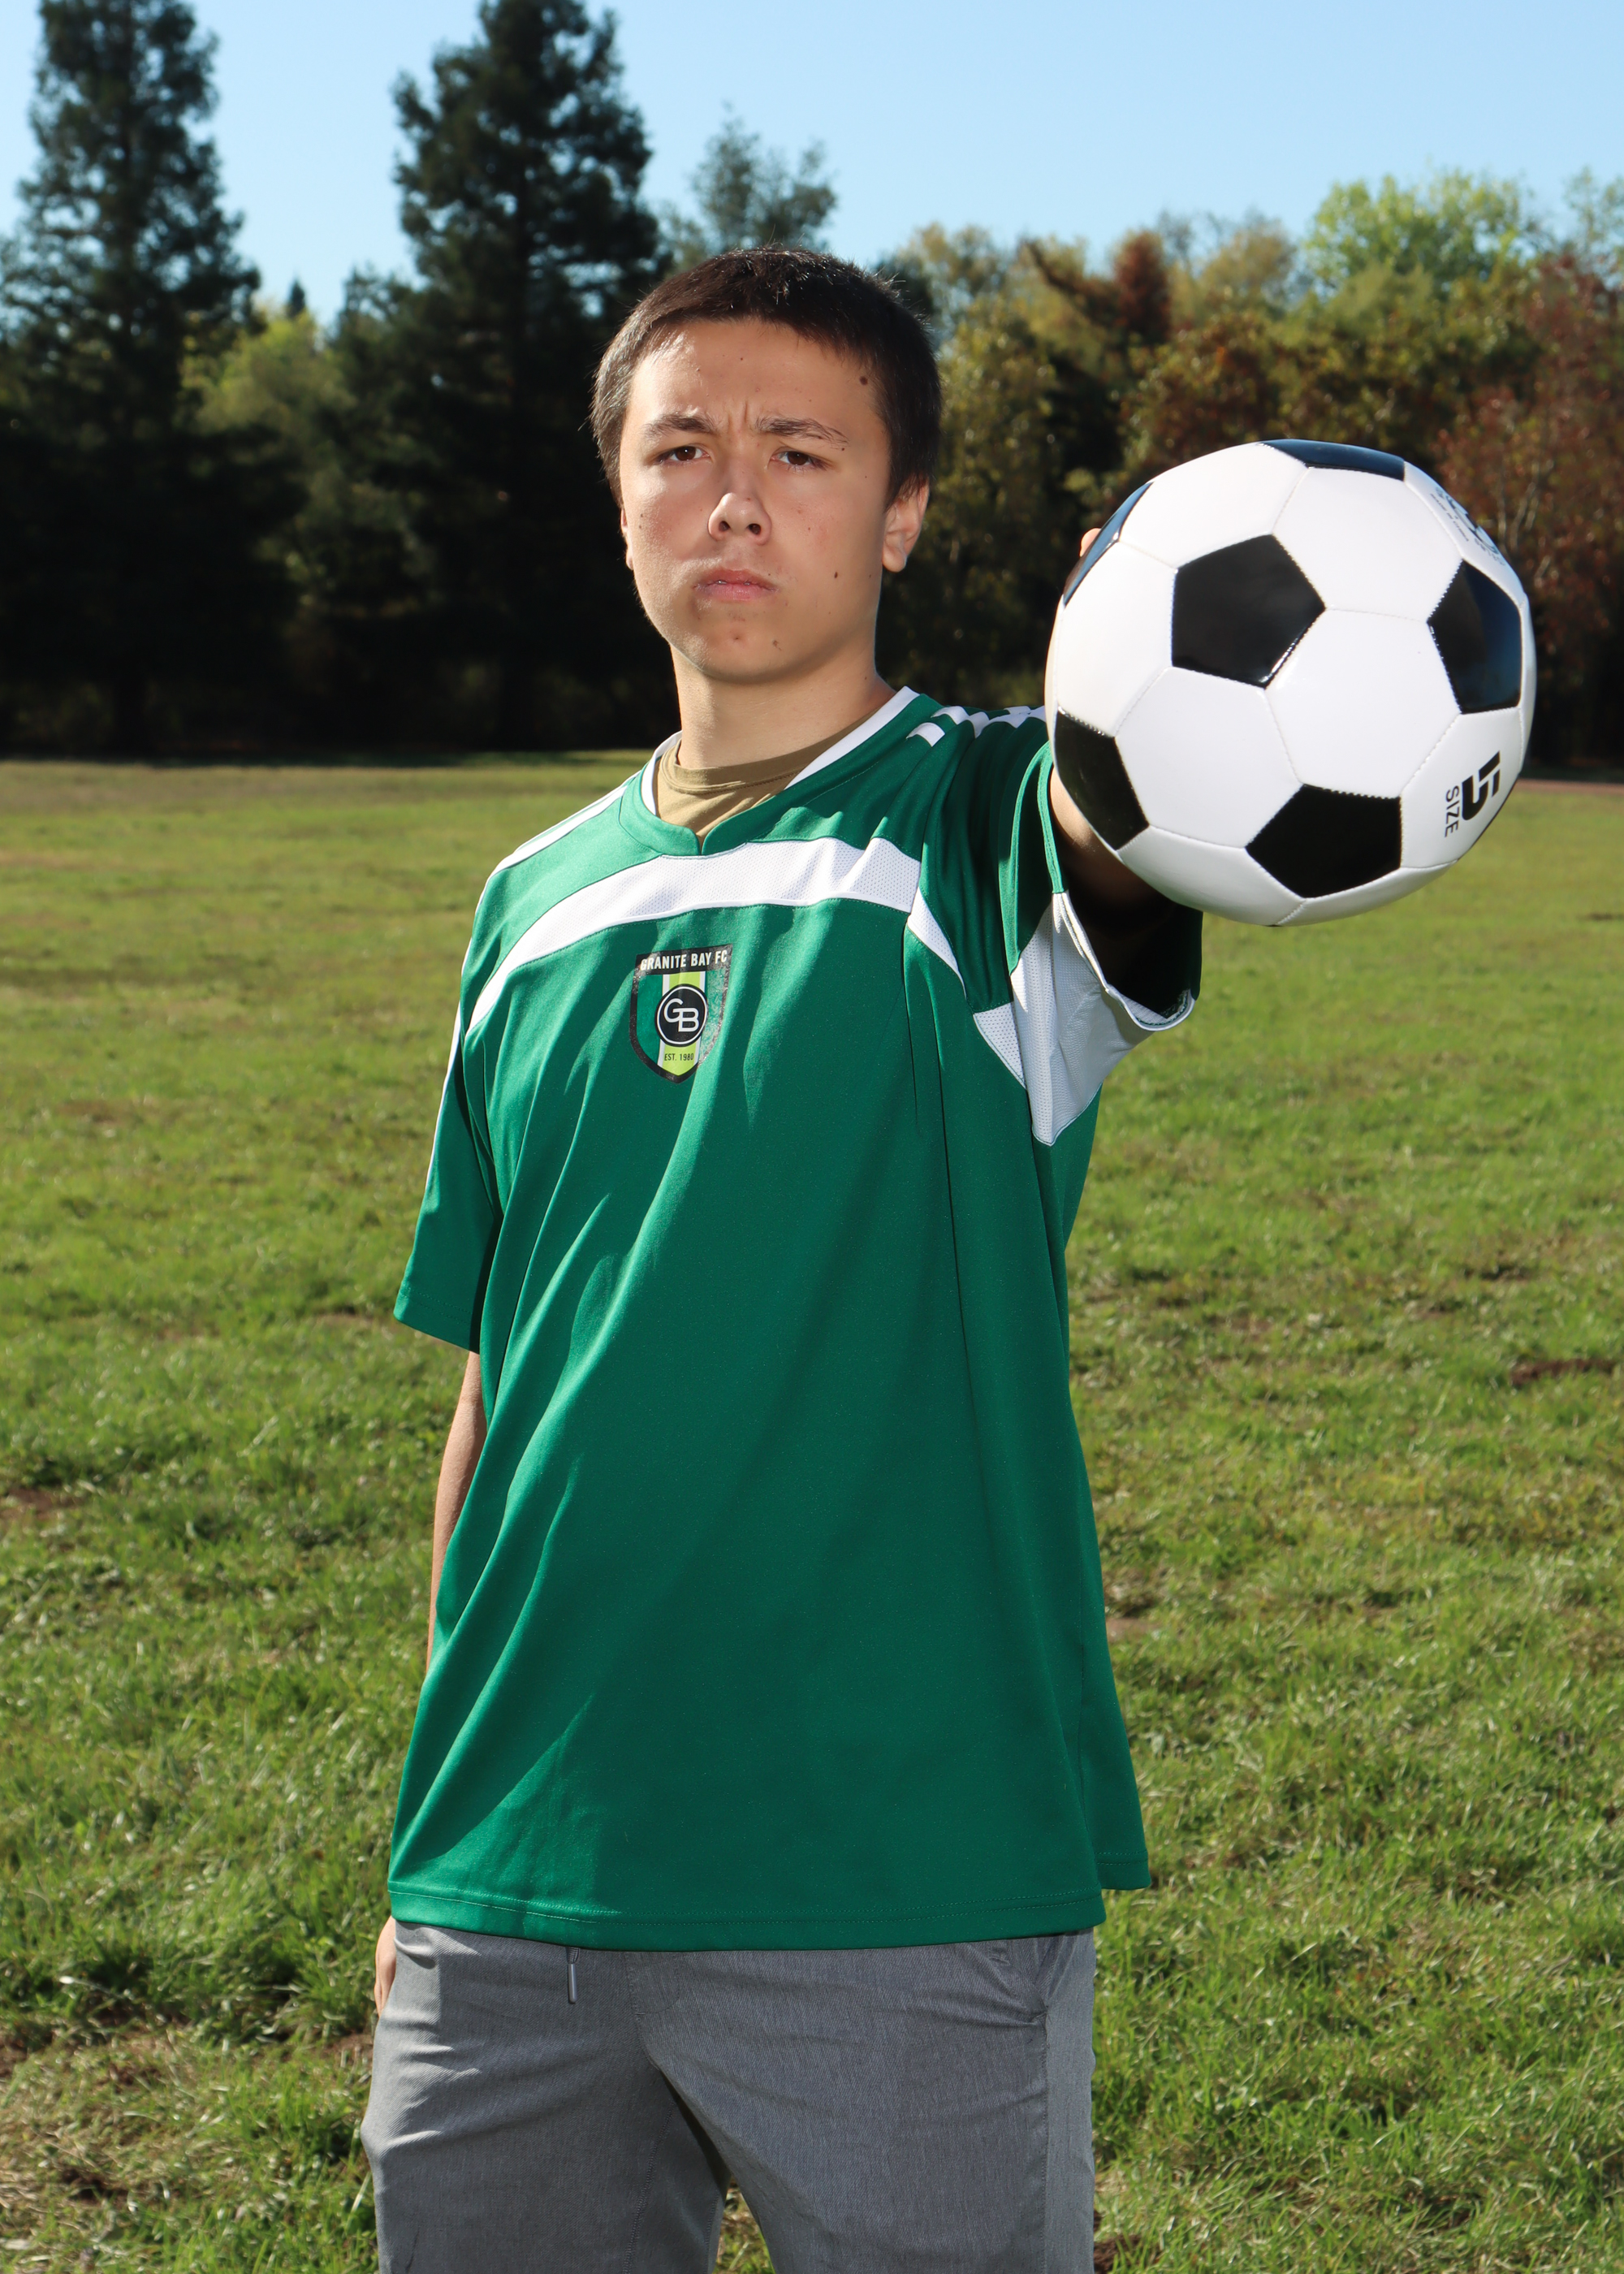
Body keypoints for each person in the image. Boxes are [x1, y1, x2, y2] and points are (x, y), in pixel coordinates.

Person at [361, 245, 1201, 2274]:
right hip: (513, 1870)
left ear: (902, 513)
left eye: (802, 451)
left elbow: (1139, 831)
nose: (733, 494)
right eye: (682, 449)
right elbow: (498, 1384)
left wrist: (1138, 667)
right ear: (620, 501)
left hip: (897, 1864)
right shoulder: (527, 902)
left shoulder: (989, 818)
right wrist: (430, 1830)